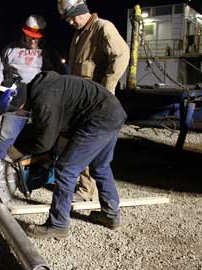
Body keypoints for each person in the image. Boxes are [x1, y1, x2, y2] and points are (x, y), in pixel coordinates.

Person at [7, 71, 127, 238]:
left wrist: (18, 150)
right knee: (100, 166)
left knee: (65, 169)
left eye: (15, 110)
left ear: (19, 102)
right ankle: (111, 215)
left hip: (99, 118)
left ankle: (58, 225)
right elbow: (61, 129)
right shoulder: (43, 89)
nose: (18, 113)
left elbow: (44, 142)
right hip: (112, 111)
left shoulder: (44, 101)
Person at [58, 0, 130, 202]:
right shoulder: (78, 35)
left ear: (80, 10)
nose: (70, 22)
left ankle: (86, 190)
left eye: (71, 17)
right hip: (81, 103)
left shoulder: (102, 27)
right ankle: (85, 187)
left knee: (89, 148)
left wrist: (106, 91)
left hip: (97, 105)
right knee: (78, 143)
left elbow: (122, 55)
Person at [0, 14, 64, 159]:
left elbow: (60, 75)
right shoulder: (10, 49)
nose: (34, 40)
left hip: (42, 101)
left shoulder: (49, 53)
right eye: (30, 36)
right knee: (5, 137)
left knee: (42, 139)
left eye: (37, 37)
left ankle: (31, 173)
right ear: (24, 33)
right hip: (17, 102)